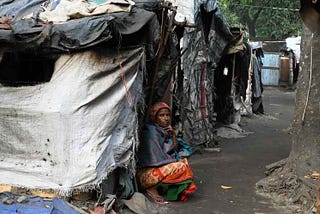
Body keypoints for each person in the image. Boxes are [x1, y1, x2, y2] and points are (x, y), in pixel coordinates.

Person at [137, 102, 197, 204]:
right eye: (162, 115)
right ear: (155, 117)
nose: (166, 118)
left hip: (156, 169)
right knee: (181, 167)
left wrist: (173, 135)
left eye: (168, 115)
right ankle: (152, 188)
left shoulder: (163, 131)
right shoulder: (151, 132)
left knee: (183, 164)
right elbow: (155, 160)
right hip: (145, 174)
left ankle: (162, 187)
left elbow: (174, 150)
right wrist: (175, 162)